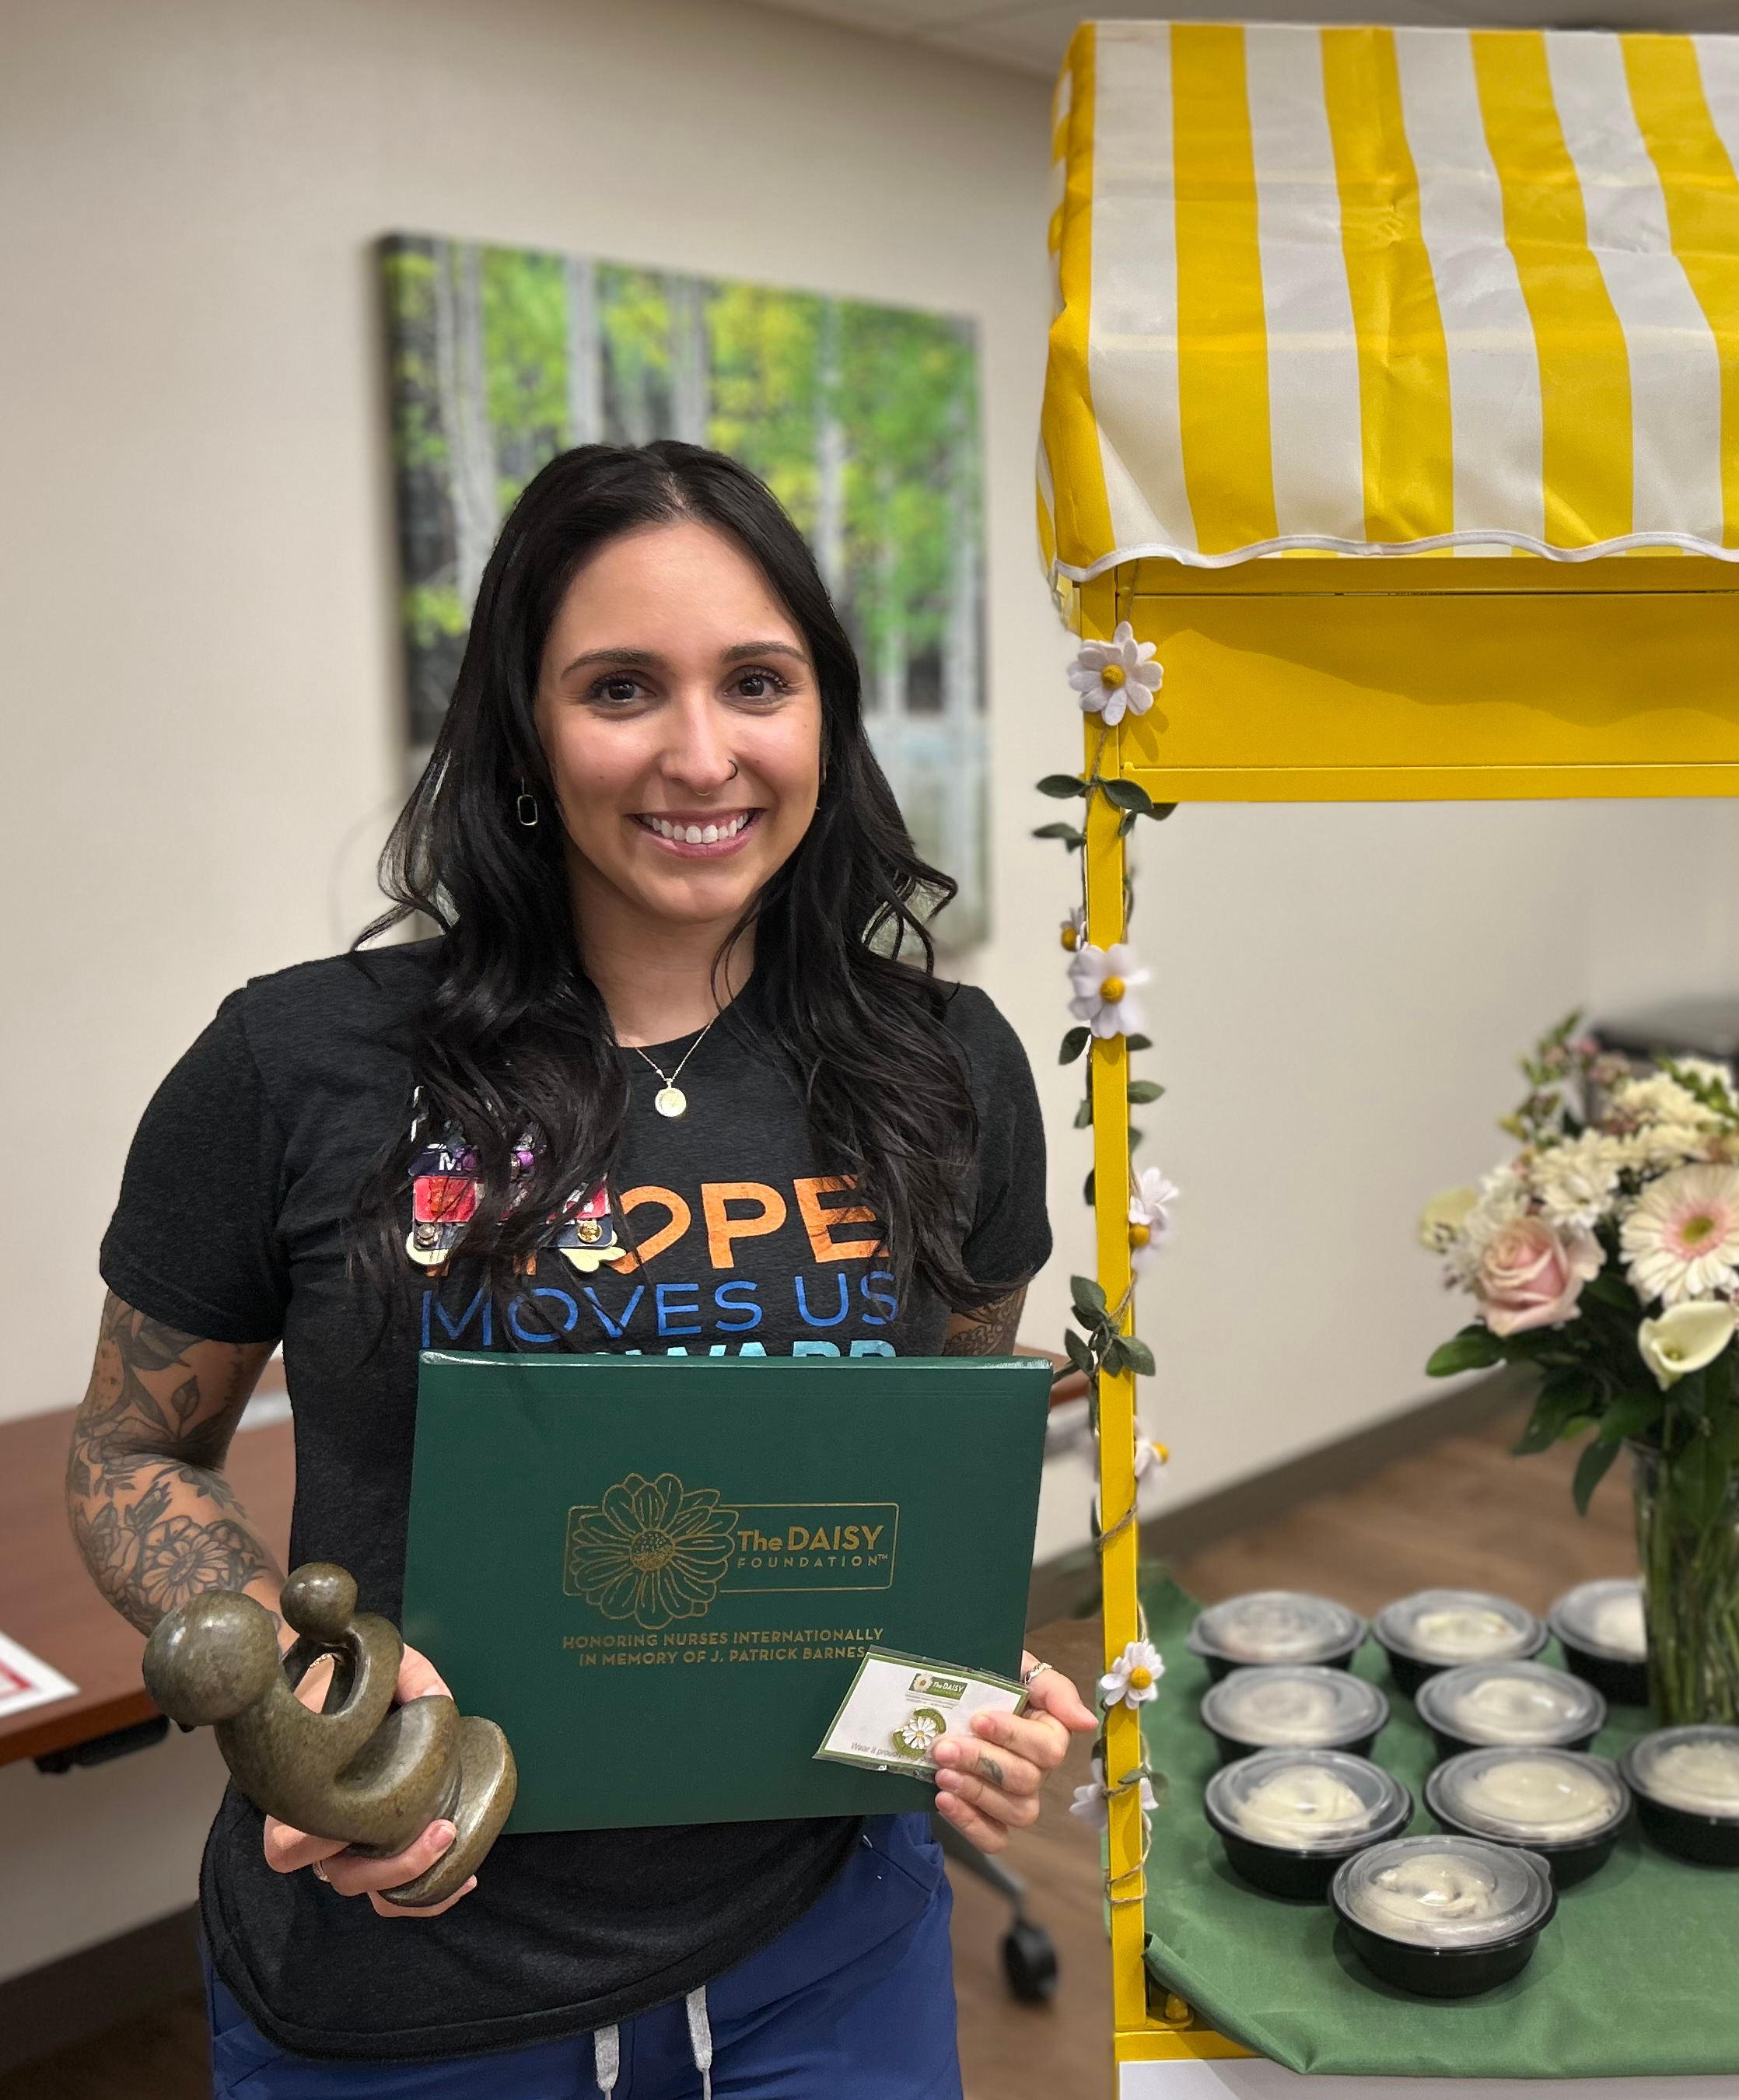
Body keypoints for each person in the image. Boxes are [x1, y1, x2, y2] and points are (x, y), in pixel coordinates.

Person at [67, 441, 1095, 2098]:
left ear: (824, 711)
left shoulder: (946, 1068)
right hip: (403, 1978)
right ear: (526, 733)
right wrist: (290, 1691)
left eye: (756, 682)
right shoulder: (298, 1061)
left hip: (826, 1954)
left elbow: (939, 1485)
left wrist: (970, 1710)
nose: (702, 753)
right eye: (622, 687)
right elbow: (127, 1450)